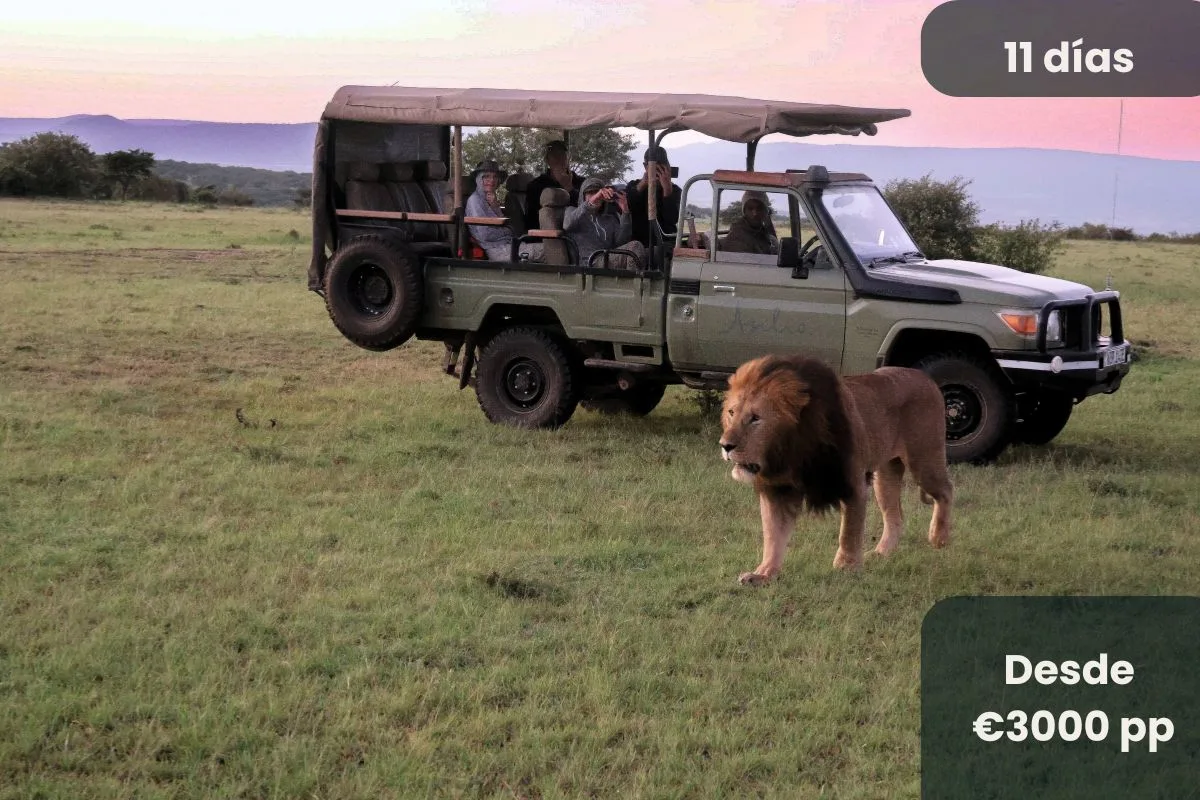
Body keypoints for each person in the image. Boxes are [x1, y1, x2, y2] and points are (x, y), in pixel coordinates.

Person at [563, 176, 646, 269]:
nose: (596, 196)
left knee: (649, 250)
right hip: (589, 262)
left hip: (607, 258)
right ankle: (635, 282)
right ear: (583, 196)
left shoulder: (610, 219)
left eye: (597, 193)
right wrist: (591, 202)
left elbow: (622, 242)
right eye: (590, 193)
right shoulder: (572, 211)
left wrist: (625, 211)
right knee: (635, 247)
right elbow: (567, 225)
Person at [625, 145, 681, 246]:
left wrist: (667, 190)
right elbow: (627, 207)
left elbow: (672, 218)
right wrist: (643, 183)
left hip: (664, 243)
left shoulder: (675, 190)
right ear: (645, 167)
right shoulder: (633, 186)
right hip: (640, 243)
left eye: (661, 167)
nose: (657, 172)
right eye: (655, 168)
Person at [523, 140, 584, 232]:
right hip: (548, 236)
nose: (558, 160)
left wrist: (569, 188)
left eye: (562, 155)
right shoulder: (535, 186)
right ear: (547, 160)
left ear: (568, 158)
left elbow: (587, 210)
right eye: (554, 156)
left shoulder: (581, 182)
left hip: (579, 231)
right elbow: (532, 221)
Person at [464, 159, 514, 261]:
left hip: (507, 245)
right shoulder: (475, 200)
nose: (491, 180)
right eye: (486, 176)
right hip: (496, 250)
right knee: (543, 251)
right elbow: (485, 234)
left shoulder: (490, 199)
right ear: (478, 179)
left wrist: (495, 207)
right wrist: (507, 232)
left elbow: (505, 224)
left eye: (495, 177)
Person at [722, 191, 778, 255]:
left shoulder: (763, 233)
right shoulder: (736, 237)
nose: (755, 213)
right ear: (744, 212)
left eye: (759, 208)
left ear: (765, 211)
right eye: (750, 208)